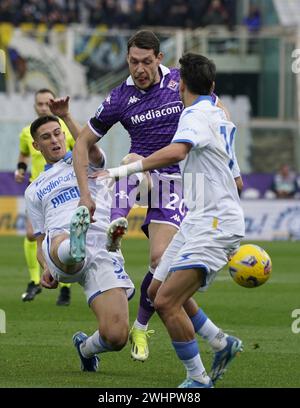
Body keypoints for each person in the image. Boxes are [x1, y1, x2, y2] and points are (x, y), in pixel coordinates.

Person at [73, 30, 242, 365]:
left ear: (159, 59)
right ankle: (109, 239)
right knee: (117, 183)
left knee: (160, 260)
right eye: (134, 62)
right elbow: (81, 144)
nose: (140, 69)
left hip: (178, 182)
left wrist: (232, 167)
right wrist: (83, 195)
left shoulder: (183, 83)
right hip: (137, 170)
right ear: (127, 60)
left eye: (146, 62)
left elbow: (221, 117)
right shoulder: (120, 97)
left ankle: (140, 325)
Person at [25, 115, 134, 372]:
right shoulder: (34, 189)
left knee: (116, 336)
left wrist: (66, 116)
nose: (54, 140)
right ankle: (74, 245)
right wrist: (45, 267)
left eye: (57, 133)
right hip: (59, 242)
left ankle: (86, 349)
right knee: (63, 241)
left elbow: (91, 148)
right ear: (36, 146)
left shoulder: (84, 161)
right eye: (46, 137)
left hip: (102, 249)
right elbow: (40, 239)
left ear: (65, 135)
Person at [15, 89, 74, 305]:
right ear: (34, 106)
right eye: (39, 104)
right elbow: (23, 153)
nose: (43, 107)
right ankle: (34, 280)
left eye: (47, 103)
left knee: (64, 235)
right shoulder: (26, 132)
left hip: (63, 191)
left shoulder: (65, 130)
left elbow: (81, 153)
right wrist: (20, 169)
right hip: (37, 189)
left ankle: (65, 287)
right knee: (33, 234)